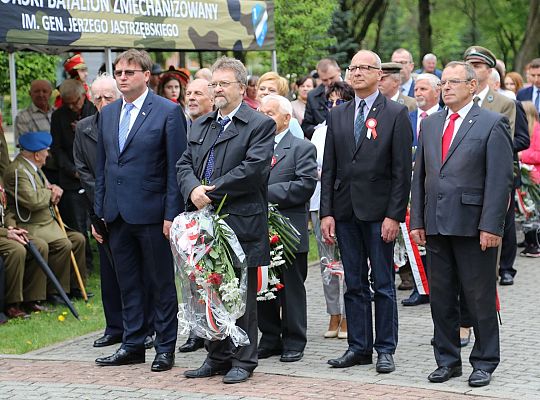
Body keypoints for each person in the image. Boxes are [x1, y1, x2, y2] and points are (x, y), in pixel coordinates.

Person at [410, 61, 513, 387]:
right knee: (441, 297)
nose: (448, 87)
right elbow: (420, 176)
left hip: (473, 226)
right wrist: (417, 219)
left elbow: (500, 181)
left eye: (455, 82)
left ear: (472, 86)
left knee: (478, 297)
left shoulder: (491, 123)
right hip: (437, 225)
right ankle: (447, 360)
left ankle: (484, 361)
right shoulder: (431, 124)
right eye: (444, 83)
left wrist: (492, 226)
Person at [177, 56, 275, 384]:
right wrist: (193, 190)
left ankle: (243, 360)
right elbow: (184, 164)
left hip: (239, 221)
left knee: (238, 293)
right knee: (208, 290)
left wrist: (211, 191)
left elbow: (254, 170)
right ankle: (216, 355)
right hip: (202, 223)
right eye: (213, 84)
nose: (216, 89)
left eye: (223, 84)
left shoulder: (259, 124)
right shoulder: (201, 123)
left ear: (241, 87)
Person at [94, 49, 186, 372]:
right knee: (127, 282)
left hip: (152, 213)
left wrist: (171, 214)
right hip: (116, 215)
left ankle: (164, 347)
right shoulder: (107, 114)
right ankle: (132, 343)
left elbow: (177, 168)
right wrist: (98, 213)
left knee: (160, 283)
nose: (122, 77)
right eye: (118, 72)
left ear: (146, 76)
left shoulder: (167, 112)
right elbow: (103, 167)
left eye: (129, 72)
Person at [320, 50, 412, 373]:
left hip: (379, 214)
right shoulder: (338, 114)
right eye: (353, 68)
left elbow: (402, 172)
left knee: (383, 283)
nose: (357, 73)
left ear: (379, 75)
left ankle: (385, 348)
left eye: (364, 68)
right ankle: (359, 347)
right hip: (345, 212)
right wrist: (326, 213)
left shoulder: (396, 114)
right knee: (354, 283)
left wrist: (394, 215)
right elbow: (329, 168)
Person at [72, 74, 155, 350]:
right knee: (109, 272)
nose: (103, 102)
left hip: (129, 206)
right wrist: (101, 208)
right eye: (97, 97)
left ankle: (147, 326)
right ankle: (115, 327)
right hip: (101, 208)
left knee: (139, 270)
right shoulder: (84, 128)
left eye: (108, 96)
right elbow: (84, 170)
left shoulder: (127, 122)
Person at [257, 94, 317, 363]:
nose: (264, 117)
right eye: (261, 112)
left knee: (290, 287)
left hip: (289, 231)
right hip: (257, 229)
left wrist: (264, 193)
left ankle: (294, 340)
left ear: (286, 118)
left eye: (270, 113)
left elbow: (304, 185)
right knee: (263, 285)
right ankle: (269, 337)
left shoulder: (301, 148)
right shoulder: (253, 147)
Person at [4, 132, 87, 305]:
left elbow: (44, 188)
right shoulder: (17, 171)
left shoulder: (32, 168)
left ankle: (75, 288)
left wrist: (52, 188)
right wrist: (51, 193)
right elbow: (33, 200)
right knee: (63, 243)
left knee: (78, 239)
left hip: (46, 224)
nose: (48, 155)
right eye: (46, 151)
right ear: (36, 154)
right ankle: (54, 292)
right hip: (31, 224)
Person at [310, 81, 354, 338]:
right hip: (319, 202)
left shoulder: (351, 128)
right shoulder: (319, 131)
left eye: (341, 101)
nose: (335, 106)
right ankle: (332, 314)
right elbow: (310, 163)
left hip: (344, 203)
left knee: (347, 262)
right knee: (327, 263)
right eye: (331, 102)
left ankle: (348, 315)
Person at [177, 77, 214, 353]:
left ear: (212, 98)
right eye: (188, 93)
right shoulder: (184, 126)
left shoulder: (218, 125)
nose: (190, 98)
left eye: (197, 93)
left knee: (212, 273)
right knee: (191, 272)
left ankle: (213, 327)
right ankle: (195, 329)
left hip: (215, 208)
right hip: (187, 207)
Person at [401, 73, 442, 308]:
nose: (418, 93)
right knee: (414, 237)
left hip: (435, 189)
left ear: (437, 91)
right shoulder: (409, 117)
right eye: (416, 89)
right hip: (412, 187)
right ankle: (420, 285)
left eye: (424, 89)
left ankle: (437, 287)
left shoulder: (445, 116)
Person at [51, 79, 96, 273]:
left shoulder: (93, 110)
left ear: (82, 96)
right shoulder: (59, 116)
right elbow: (57, 149)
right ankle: (83, 264)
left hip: (93, 174)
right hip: (70, 177)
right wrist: (72, 170)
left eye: (74, 102)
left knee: (96, 219)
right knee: (77, 224)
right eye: (67, 102)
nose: (71, 106)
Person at [14, 80, 58, 183]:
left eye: (44, 91)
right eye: (37, 91)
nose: (41, 94)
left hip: (61, 167)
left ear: (50, 93)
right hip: (40, 170)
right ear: (30, 94)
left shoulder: (57, 113)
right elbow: (23, 145)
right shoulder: (23, 117)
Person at [301, 58, 342, 139]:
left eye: (332, 78)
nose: (329, 82)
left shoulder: (353, 90)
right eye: (325, 80)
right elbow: (306, 126)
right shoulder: (312, 96)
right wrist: (320, 132)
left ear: (339, 71)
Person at [519, 101, 540, 257]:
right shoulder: (523, 129)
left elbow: (538, 154)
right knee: (524, 212)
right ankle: (528, 239)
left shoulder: (537, 131)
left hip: (534, 178)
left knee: (533, 211)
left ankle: (534, 244)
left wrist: (521, 155)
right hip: (524, 176)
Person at [257, 72, 304, 140]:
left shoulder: (291, 123)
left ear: (281, 95)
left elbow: (299, 148)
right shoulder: (249, 117)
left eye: (272, 90)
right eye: (262, 89)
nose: (265, 92)